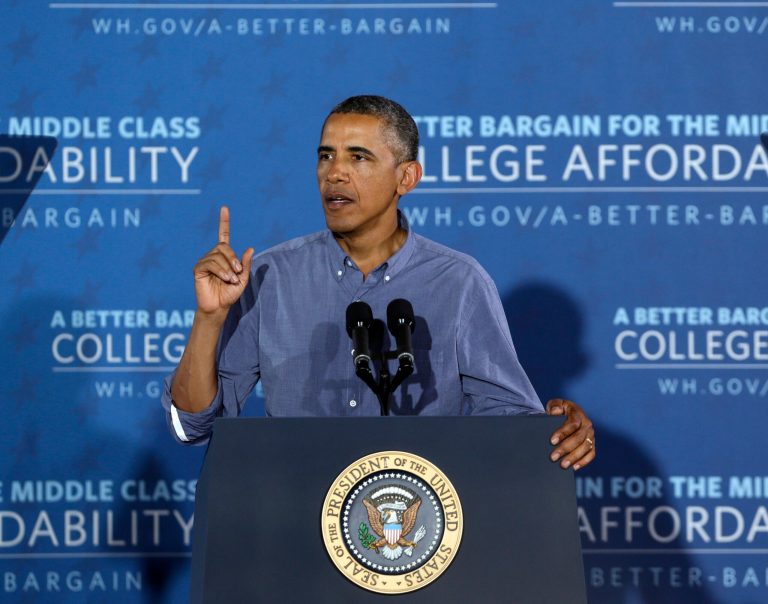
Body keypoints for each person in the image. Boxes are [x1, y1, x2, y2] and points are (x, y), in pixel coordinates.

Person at [162, 95, 596, 470]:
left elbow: (510, 423)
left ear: (406, 178)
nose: (334, 173)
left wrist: (557, 427)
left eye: (358, 157)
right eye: (326, 155)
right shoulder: (268, 277)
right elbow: (194, 426)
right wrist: (209, 319)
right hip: (294, 519)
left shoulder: (459, 283)